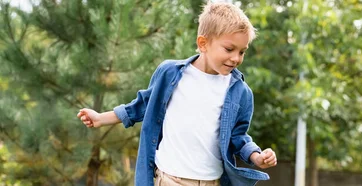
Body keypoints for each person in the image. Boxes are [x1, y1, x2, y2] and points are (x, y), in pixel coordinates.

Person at [76, 2, 277, 185]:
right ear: (203, 43)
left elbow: (238, 137)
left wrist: (256, 156)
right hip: (169, 179)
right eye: (229, 49)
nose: (235, 58)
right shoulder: (170, 74)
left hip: (213, 181)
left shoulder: (240, 93)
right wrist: (101, 118)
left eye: (242, 51)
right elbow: (142, 105)